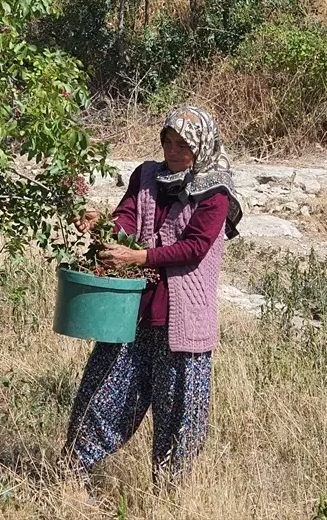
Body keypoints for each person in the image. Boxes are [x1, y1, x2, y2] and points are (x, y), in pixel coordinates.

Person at [65, 105, 244, 485]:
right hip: (132, 311)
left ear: (202, 147)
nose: (174, 152)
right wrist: (107, 225)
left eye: (183, 145)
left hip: (182, 325)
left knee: (179, 414)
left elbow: (194, 247)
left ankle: (171, 494)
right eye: (168, 141)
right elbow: (128, 217)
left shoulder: (216, 194)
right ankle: (72, 476)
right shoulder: (146, 176)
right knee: (102, 397)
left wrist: (140, 256)